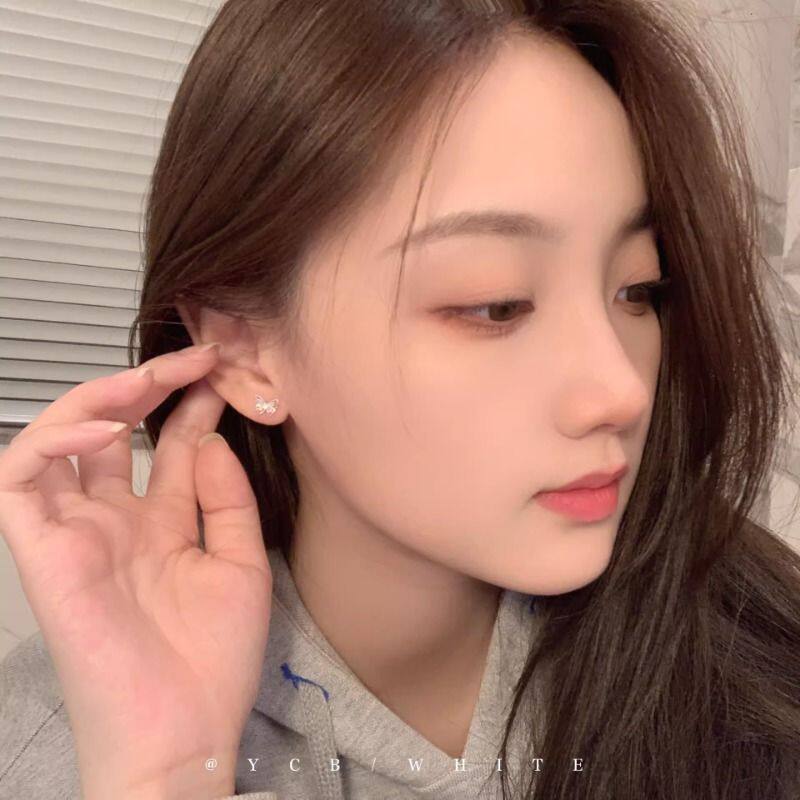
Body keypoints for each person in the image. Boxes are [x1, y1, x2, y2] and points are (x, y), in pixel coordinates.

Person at [1, 0, 799, 798]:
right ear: (244, 351)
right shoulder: (61, 744)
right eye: (496, 304)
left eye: (638, 289)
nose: (620, 389)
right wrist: (165, 778)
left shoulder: (756, 643)